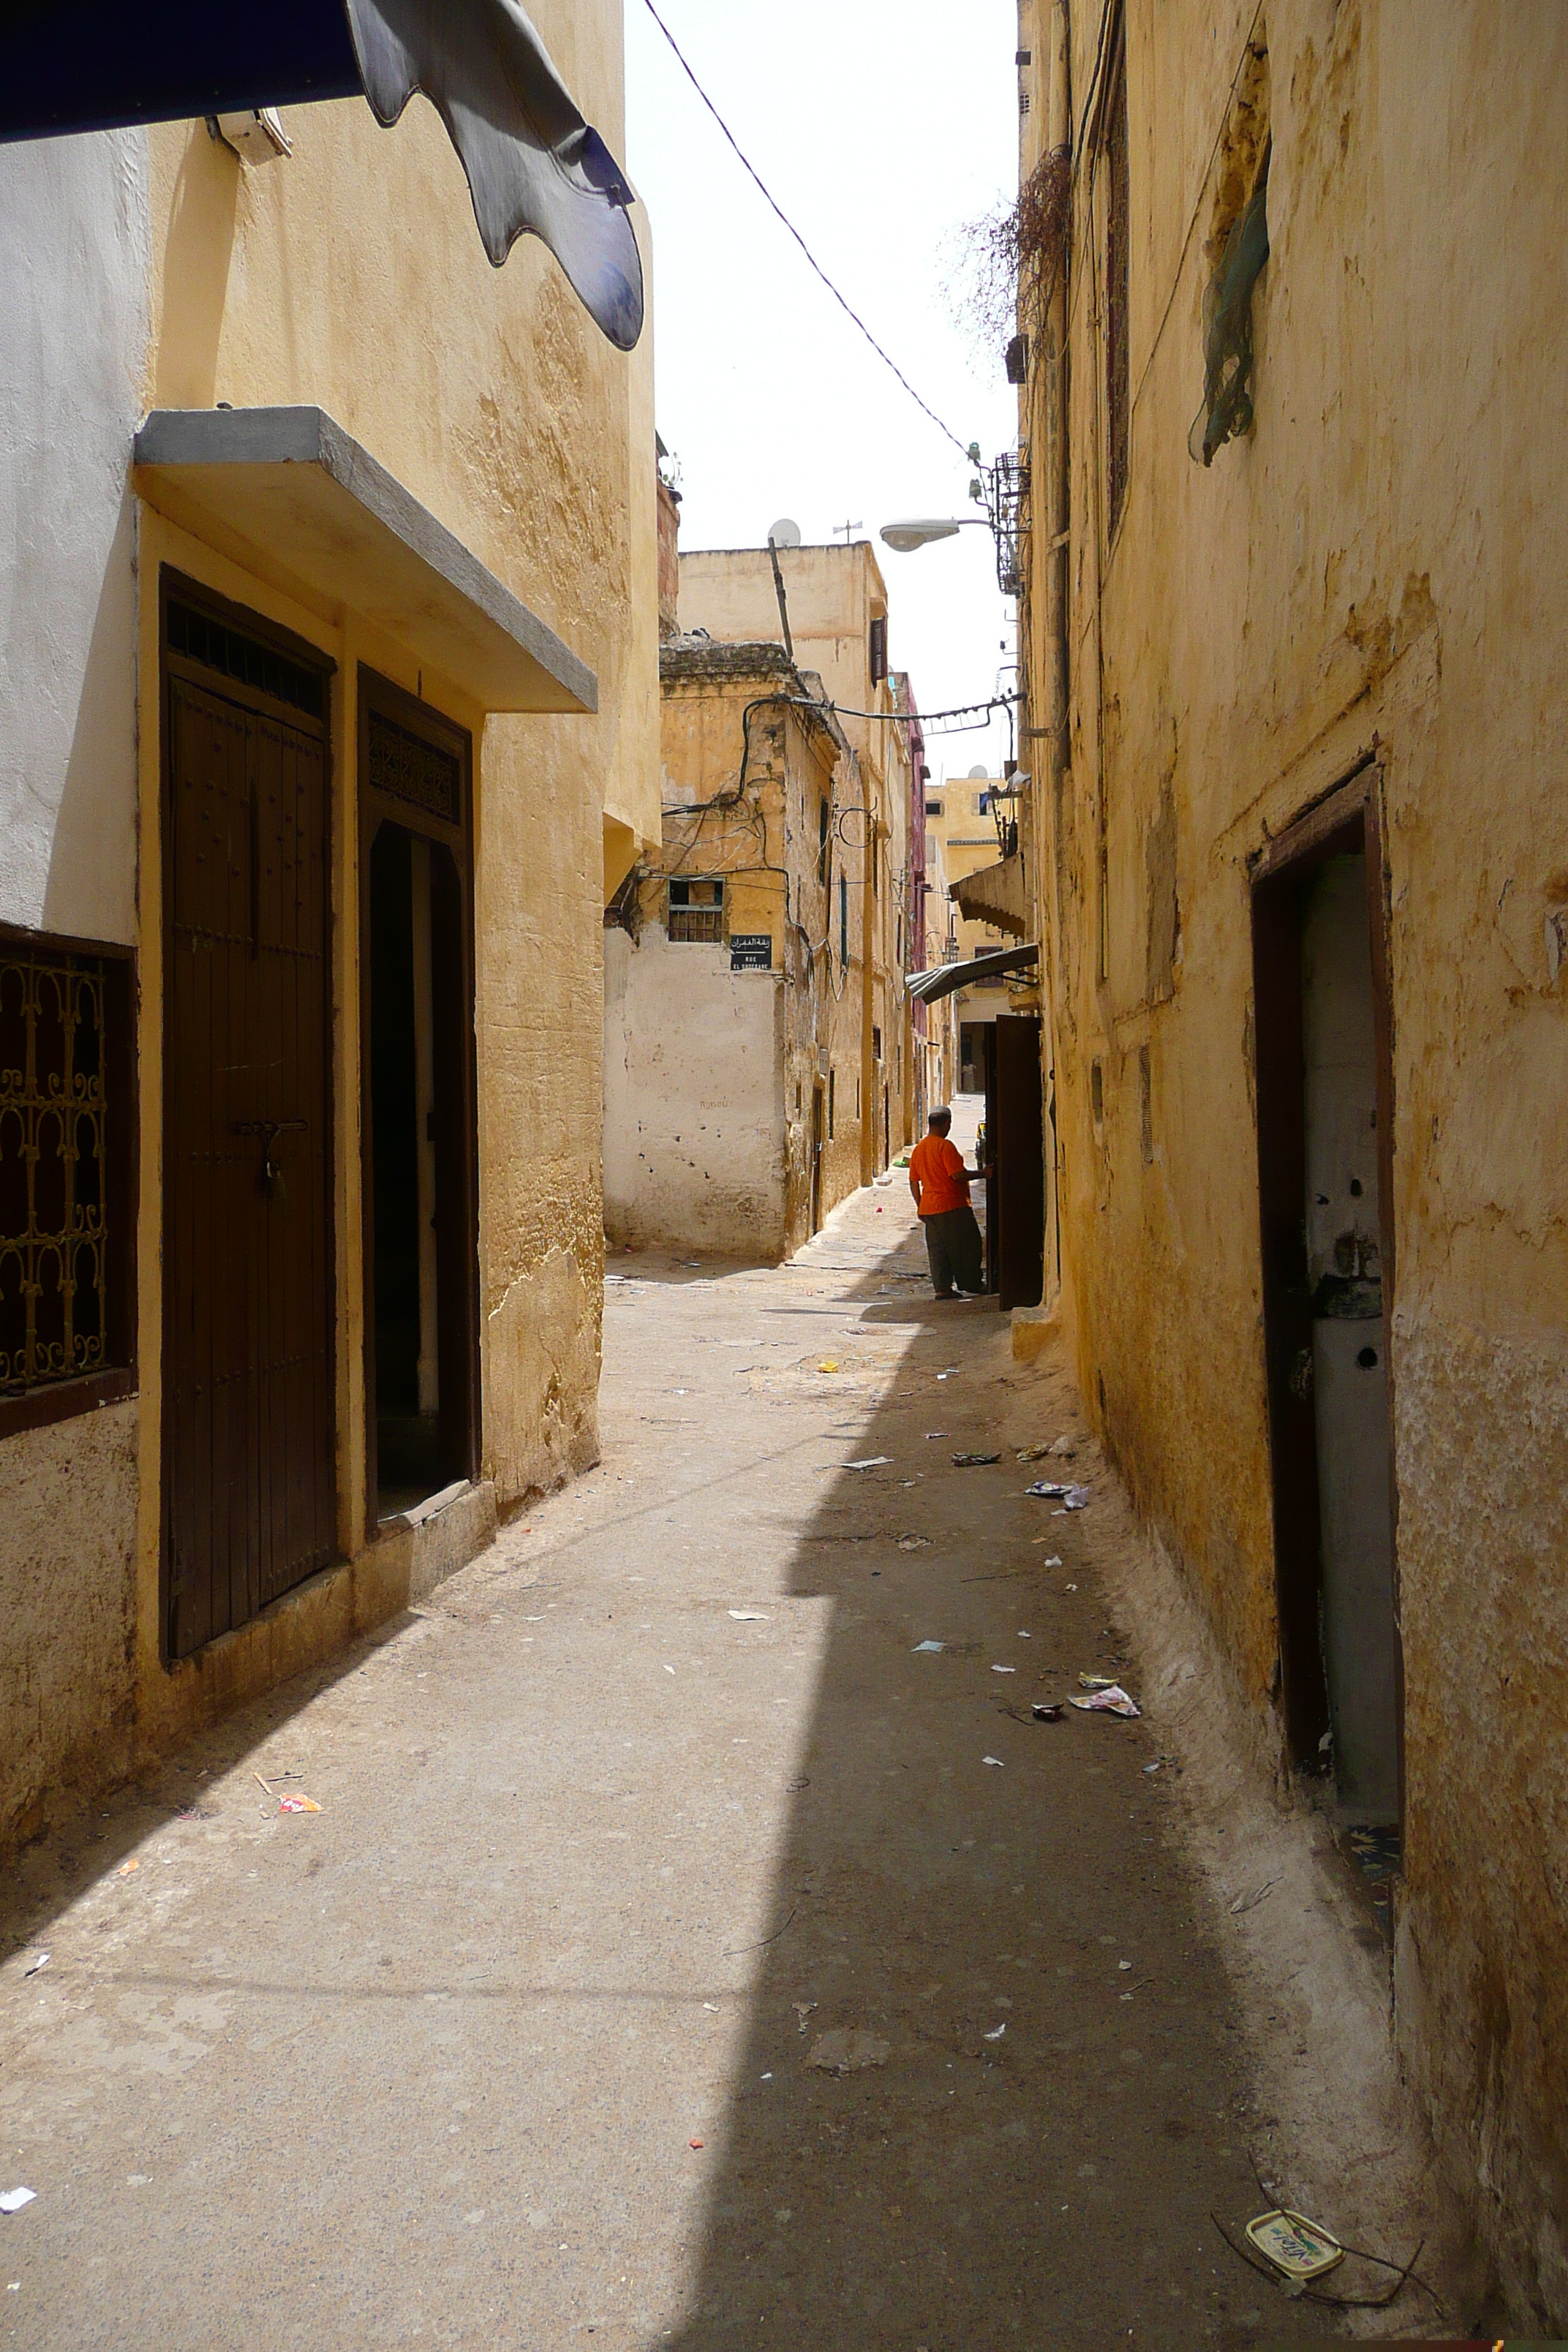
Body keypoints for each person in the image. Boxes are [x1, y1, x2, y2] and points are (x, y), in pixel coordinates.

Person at [908, 1105, 986, 1299]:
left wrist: (921, 1206)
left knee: (938, 1250)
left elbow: (913, 1181)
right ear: (946, 1123)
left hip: (930, 1208)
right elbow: (957, 1175)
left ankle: (942, 1288)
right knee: (968, 1245)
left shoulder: (919, 1149)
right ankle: (972, 1283)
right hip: (952, 1205)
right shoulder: (945, 1146)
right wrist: (985, 1173)